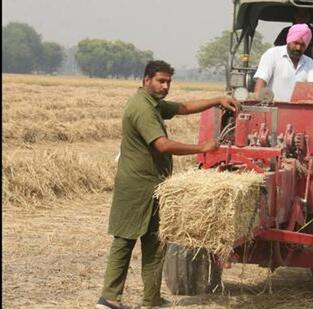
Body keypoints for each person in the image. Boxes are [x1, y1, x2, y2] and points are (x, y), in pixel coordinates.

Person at [95, 60, 239, 309]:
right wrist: (202, 147)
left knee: (155, 241)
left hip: (154, 184)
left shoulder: (152, 104)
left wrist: (217, 100)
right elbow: (162, 145)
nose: (165, 86)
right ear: (146, 80)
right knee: (125, 240)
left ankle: (151, 299)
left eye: (169, 82)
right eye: (161, 81)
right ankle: (109, 298)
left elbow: (183, 107)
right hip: (136, 185)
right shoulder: (141, 108)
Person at [254, 24, 313, 102]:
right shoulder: (272, 54)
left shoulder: (309, 62)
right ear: (289, 40)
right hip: (273, 110)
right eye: (296, 43)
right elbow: (261, 82)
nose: (298, 48)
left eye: (302, 45)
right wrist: (259, 104)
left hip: (299, 111)